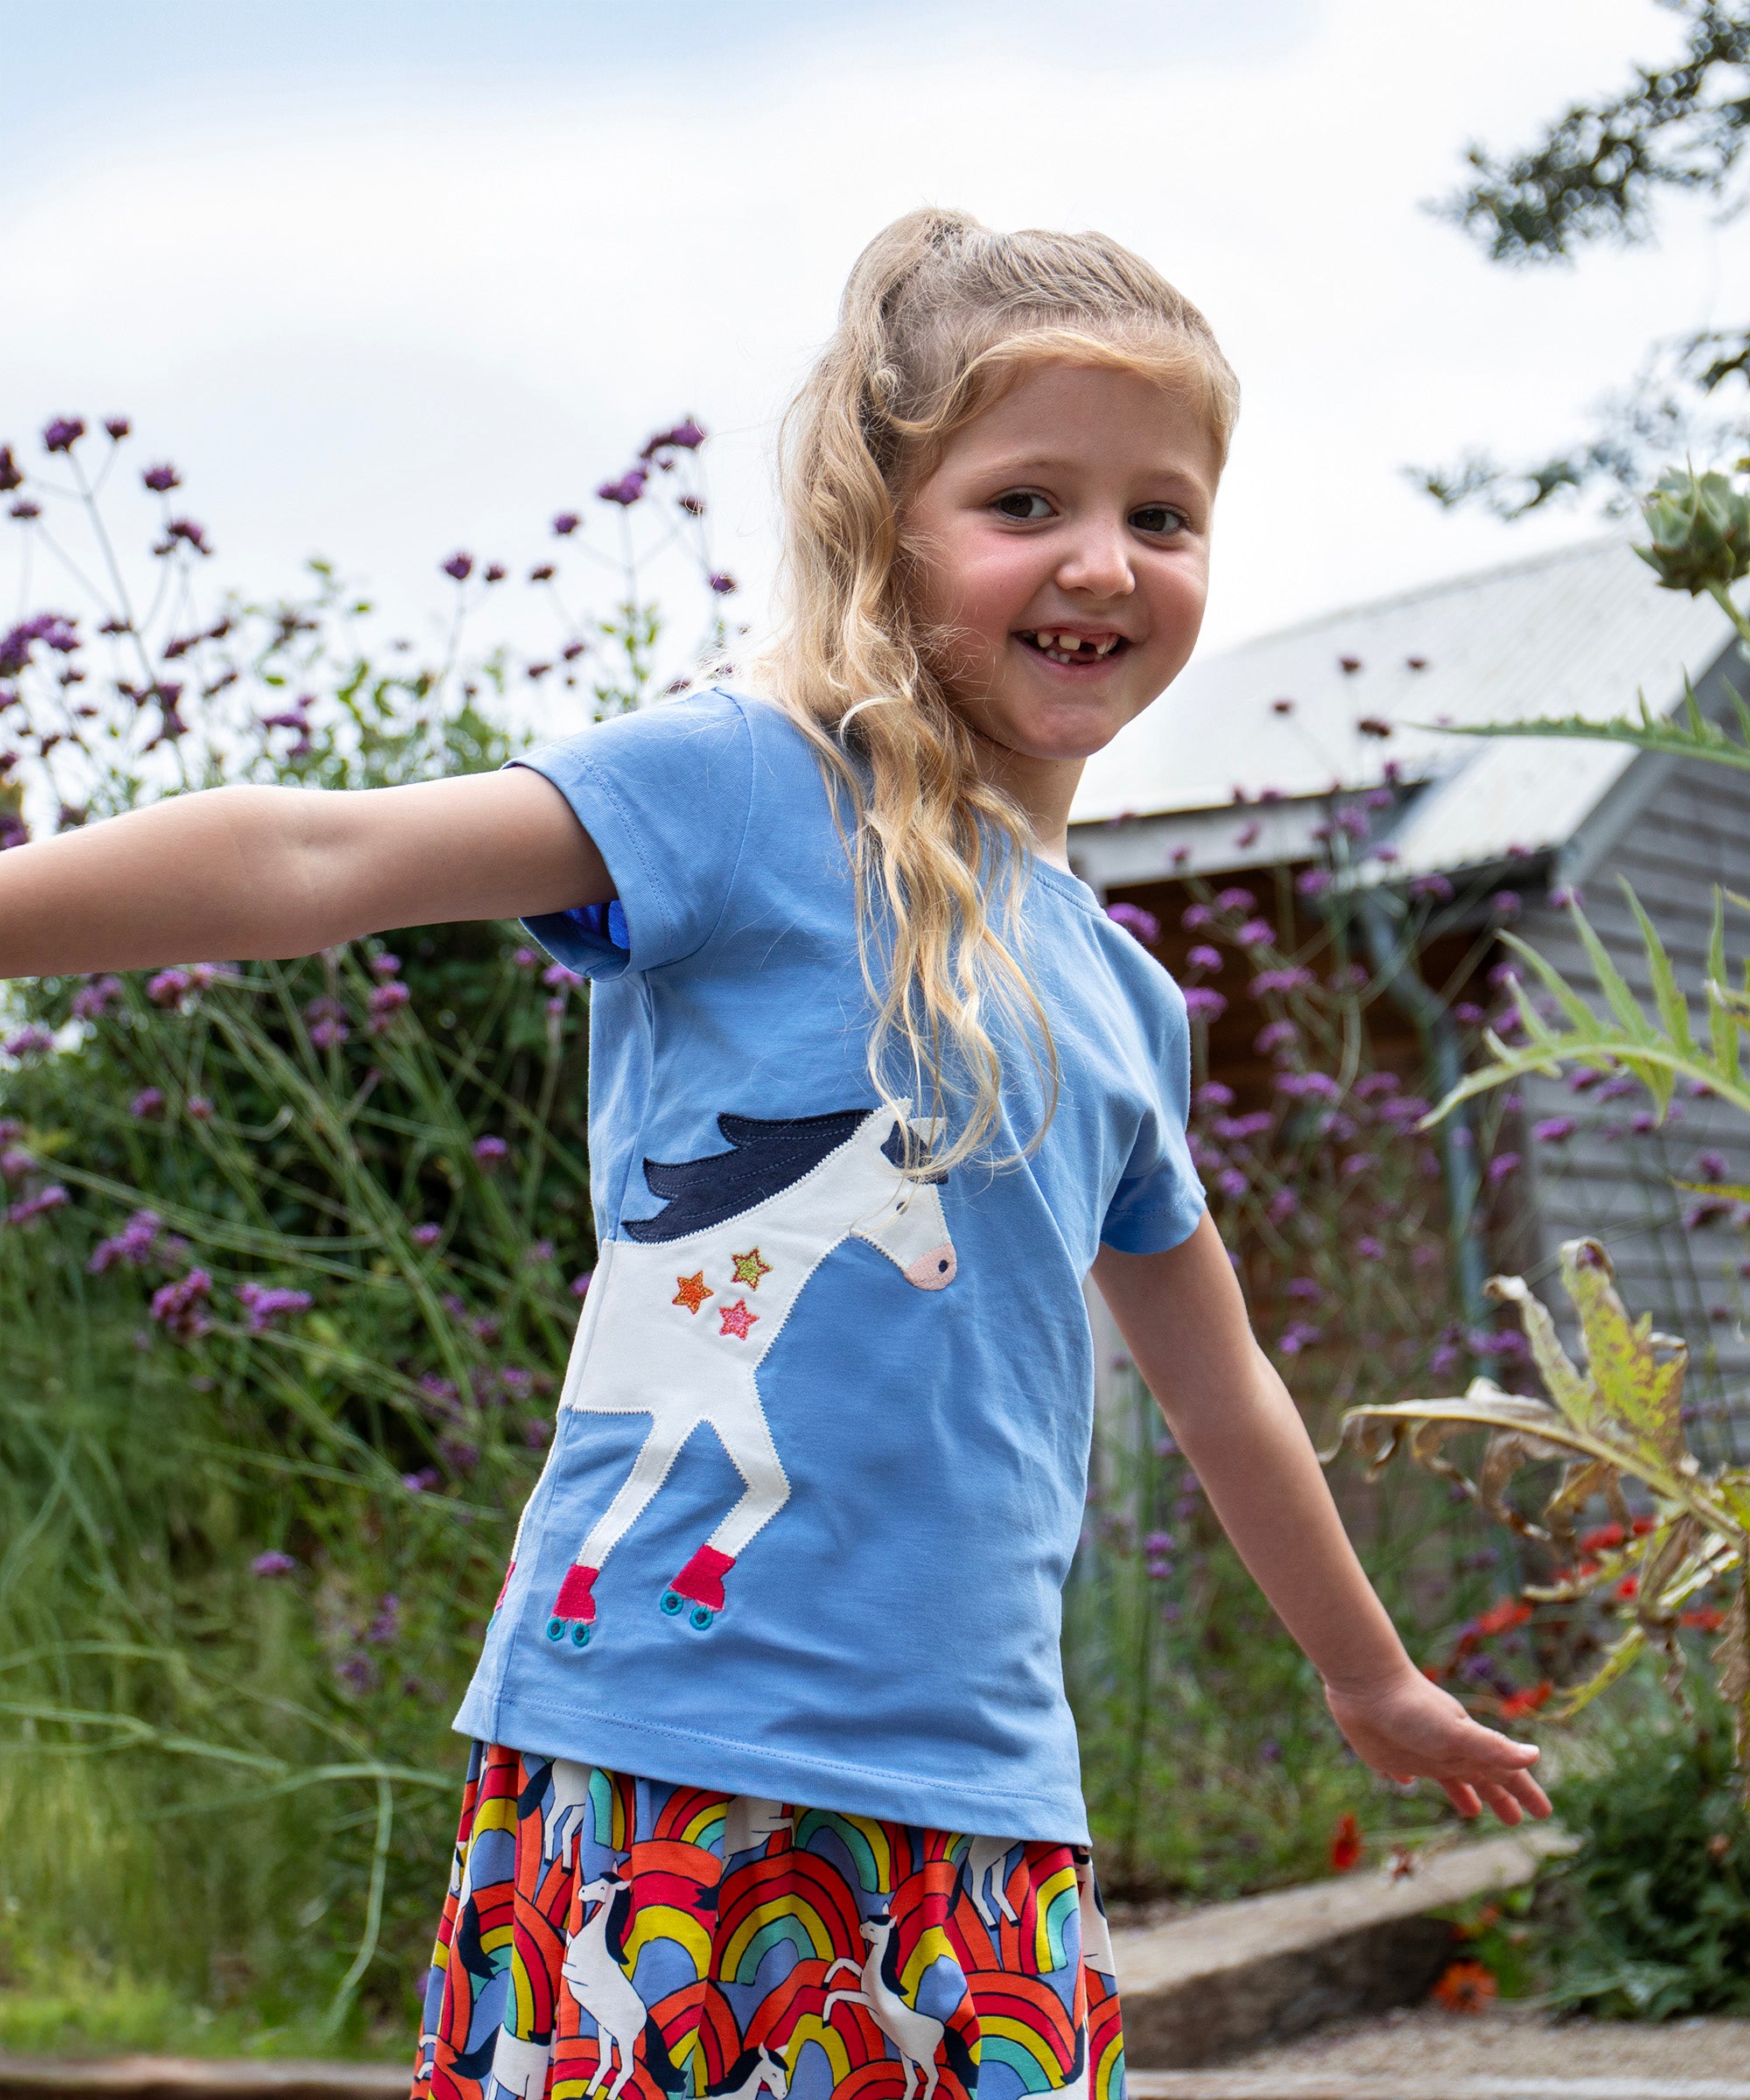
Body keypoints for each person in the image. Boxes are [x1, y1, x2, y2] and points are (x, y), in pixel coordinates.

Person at [0, 208, 1549, 2100]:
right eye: (1024, 500)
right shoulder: (738, 791)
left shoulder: (1127, 1004)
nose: (1099, 560)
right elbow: (322, 860)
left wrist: (1367, 1675)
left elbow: (1217, 1384)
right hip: (671, 1755)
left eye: (1161, 516)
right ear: (883, 530)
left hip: (984, 1803)